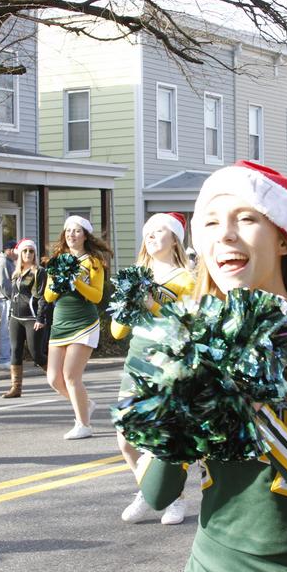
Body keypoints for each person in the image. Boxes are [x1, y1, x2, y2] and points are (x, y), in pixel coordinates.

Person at [135, 161, 287, 572]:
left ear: (283, 238)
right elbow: (156, 493)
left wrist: (254, 414)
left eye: (246, 219)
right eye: (210, 222)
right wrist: (183, 401)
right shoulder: (186, 335)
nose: (224, 233)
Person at [112, 212, 195, 526]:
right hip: (137, 356)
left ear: (174, 238)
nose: (153, 235)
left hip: (167, 359)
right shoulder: (136, 274)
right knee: (125, 438)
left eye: (161, 230)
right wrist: (127, 305)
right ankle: (148, 491)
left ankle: (175, 498)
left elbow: (189, 322)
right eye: (149, 230)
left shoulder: (186, 279)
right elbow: (118, 331)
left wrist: (153, 304)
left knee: (160, 436)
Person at [44, 216, 111, 439]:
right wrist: (57, 282)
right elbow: (48, 295)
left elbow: (97, 296)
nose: (72, 234)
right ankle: (86, 403)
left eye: (77, 231)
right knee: (54, 379)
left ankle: (83, 424)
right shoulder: (57, 261)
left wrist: (77, 282)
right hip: (60, 323)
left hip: (84, 323)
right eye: (68, 231)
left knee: (71, 375)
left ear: (85, 236)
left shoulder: (92, 262)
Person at [3, 238, 49, 398]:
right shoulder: (17, 273)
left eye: (31, 251)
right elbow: (13, 296)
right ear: (20, 253)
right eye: (25, 251)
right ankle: (16, 388)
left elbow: (43, 297)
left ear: (35, 254)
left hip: (32, 318)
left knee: (36, 354)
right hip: (16, 317)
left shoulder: (39, 272)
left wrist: (40, 318)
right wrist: (10, 317)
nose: (28, 254)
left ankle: (58, 379)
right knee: (15, 351)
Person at [0, 239, 18, 370]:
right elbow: (4, 285)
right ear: (9, 250)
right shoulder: (3, 263)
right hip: (6, 300)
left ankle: (9, 357)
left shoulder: (8, 262)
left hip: (8, 299)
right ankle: (4, 359)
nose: (17, 253)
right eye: (15, 250)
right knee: (6, 330)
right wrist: (13, 298)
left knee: (10, 329)